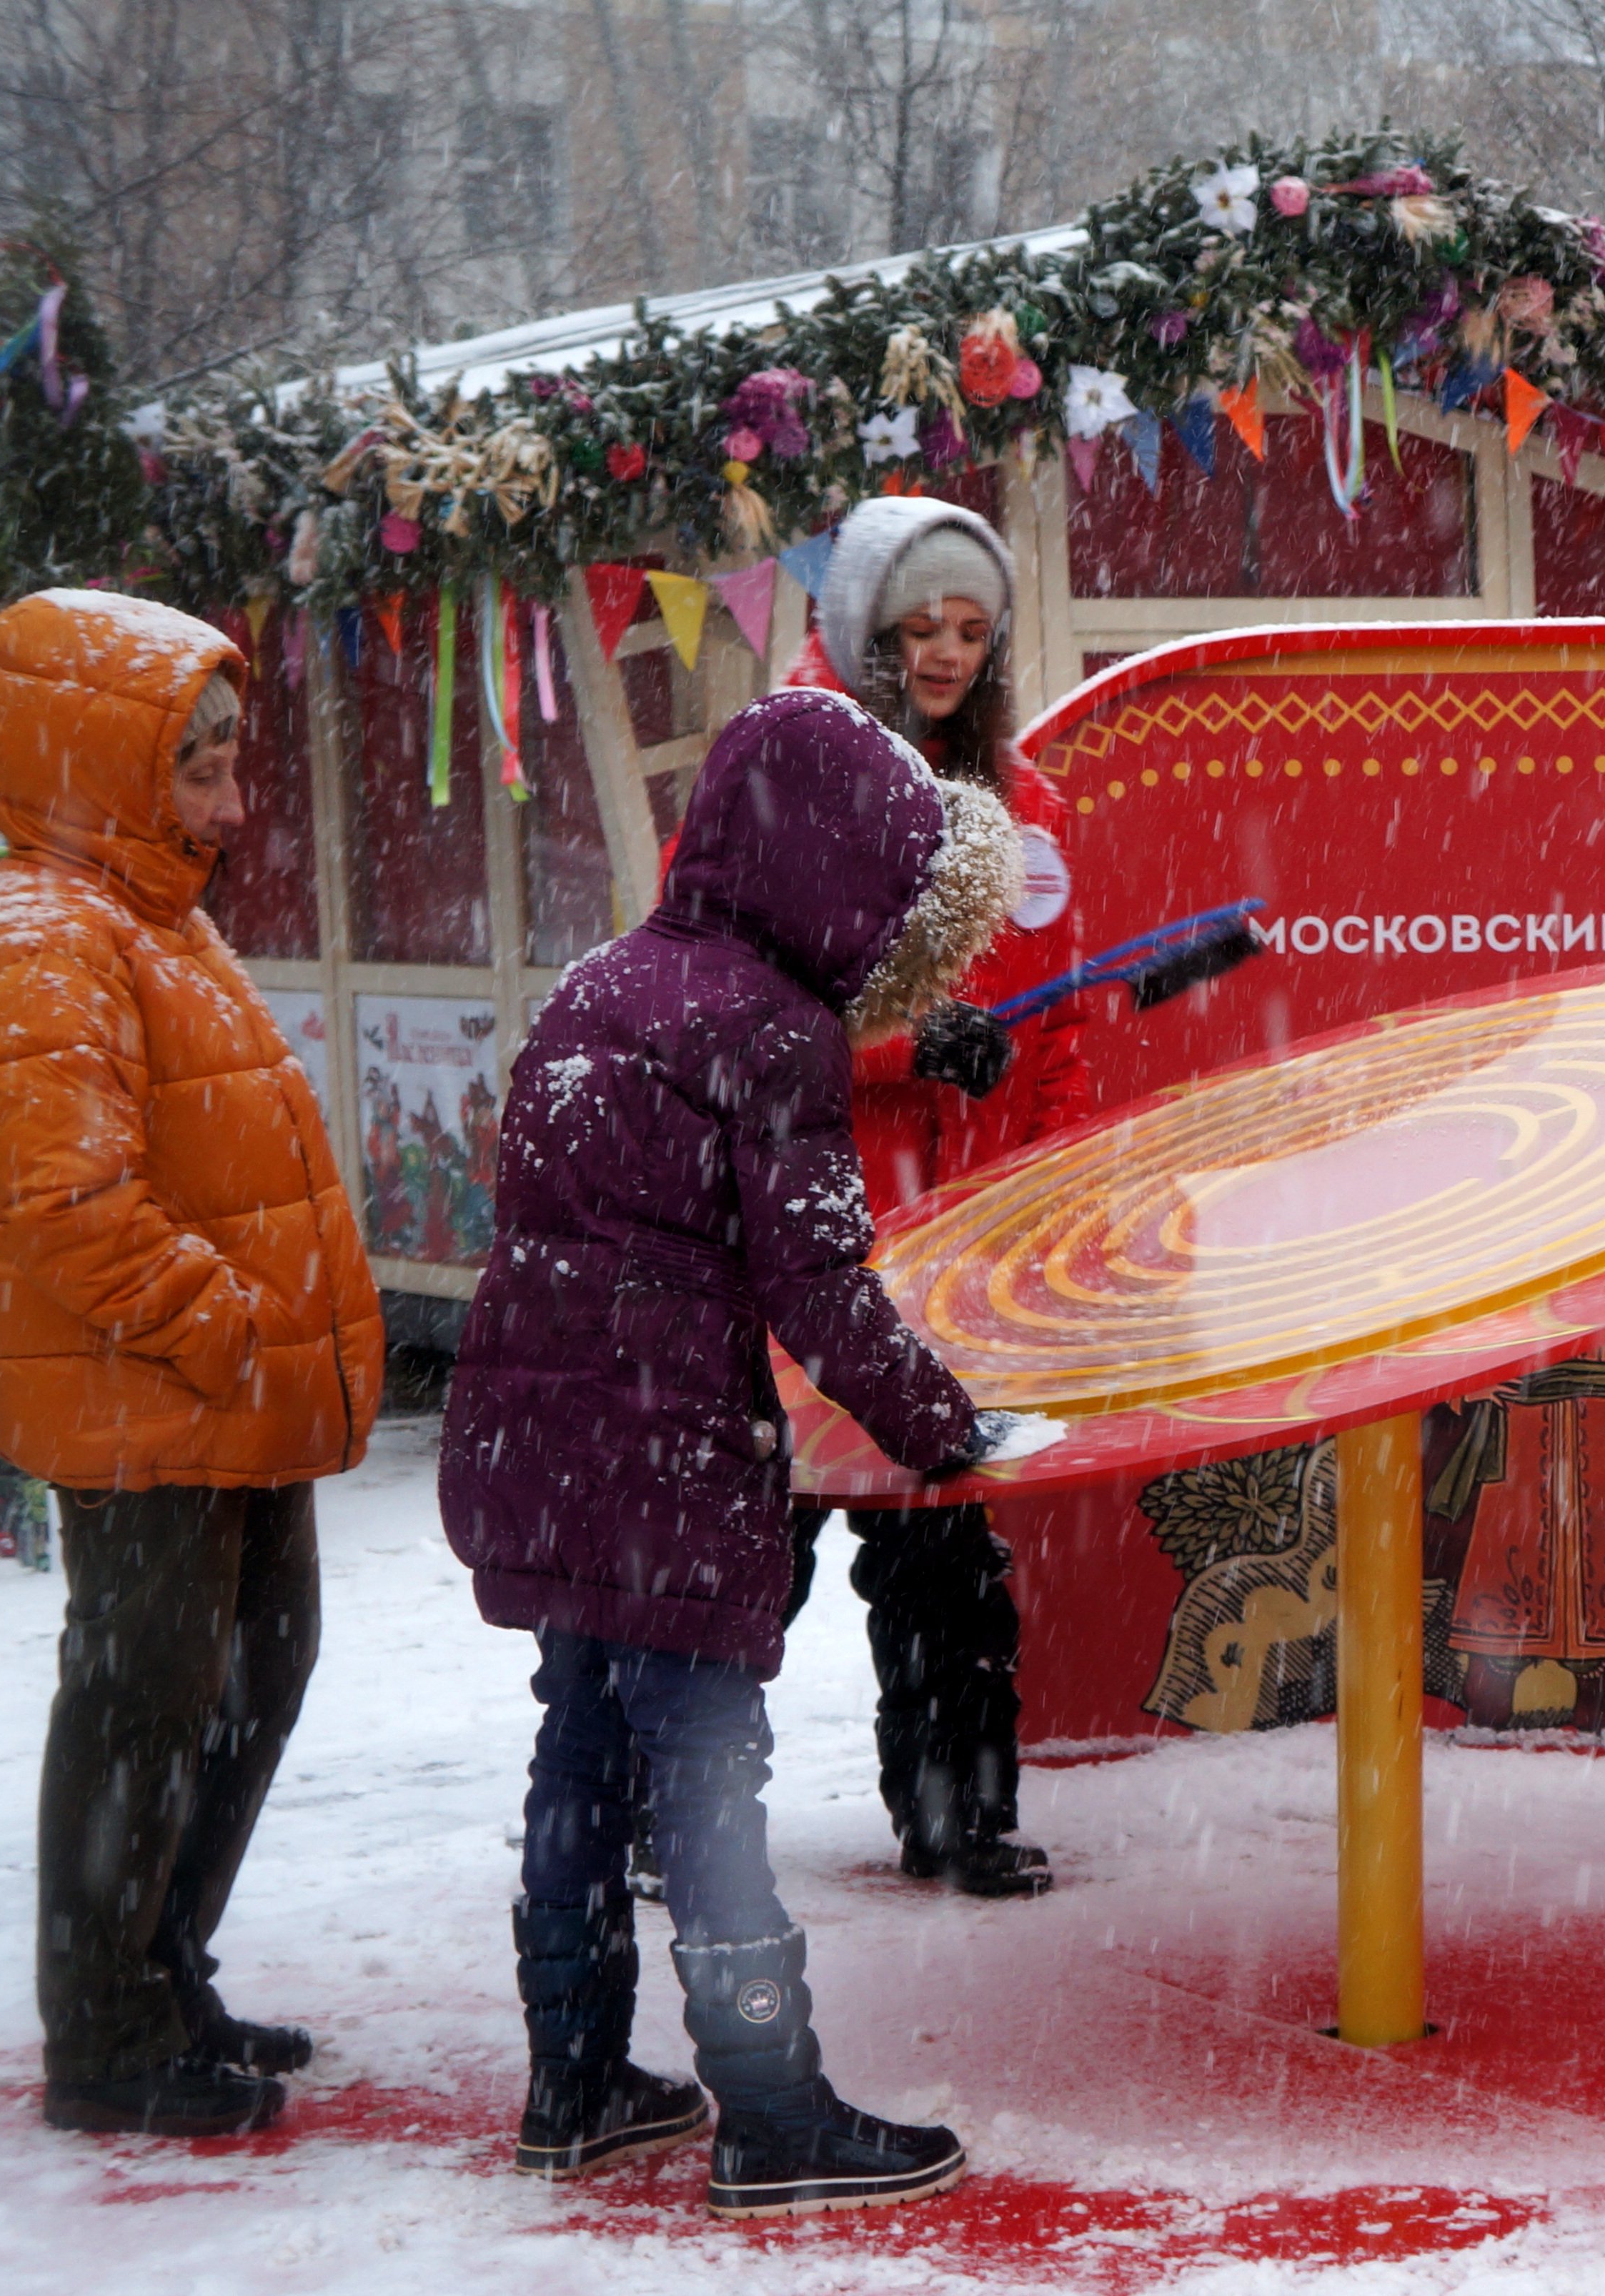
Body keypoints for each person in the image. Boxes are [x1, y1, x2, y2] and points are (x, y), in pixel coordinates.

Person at [440, 685, 1020, 2217]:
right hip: (666, 1457)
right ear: (834, 877)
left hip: (541, 1446)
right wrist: (943, 1425)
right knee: (707, 1777)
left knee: (578, 1749)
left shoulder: (596, 985)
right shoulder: (774, 1034)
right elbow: (818, 1283)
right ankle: (767, 2105)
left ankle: (573, 2074)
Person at [0, 590, 384, 2137]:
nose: (229, 803)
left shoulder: (140, 913)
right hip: (159, 1401)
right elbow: (67, 1202)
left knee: (254, 1671)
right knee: (148, 1697)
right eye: (197, 767)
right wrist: (229, 1326)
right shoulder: (45, 935)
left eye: (227, 764)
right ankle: (108, 2027)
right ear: (95, 758)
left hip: (215, 1399)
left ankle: (160, 1963)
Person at [771, 497, 1084, 1897]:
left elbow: (1064, 1038)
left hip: (959, 1261)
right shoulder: (779, 782)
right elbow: (733, 1024)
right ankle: (670, 1815)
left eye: (973, 626)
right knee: (745, 1559)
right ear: (862, 630)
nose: (948, 651)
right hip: (796, 1253)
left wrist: (1059, 1191)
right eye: (921, 626)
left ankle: (959, 1812)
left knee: (946, 1558)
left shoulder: (1030, 811)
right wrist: (902, 1049)